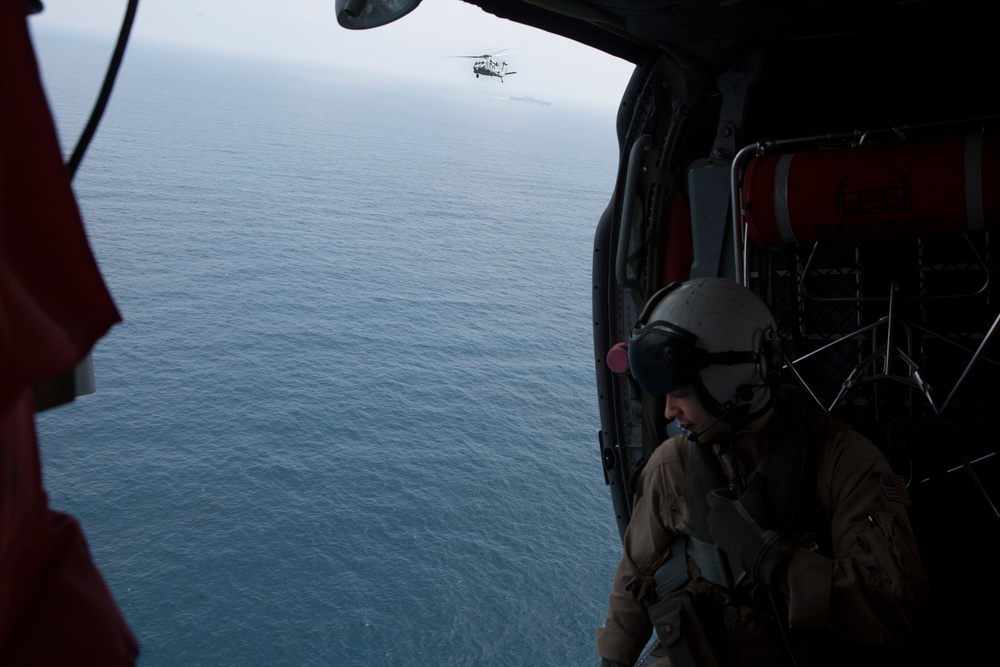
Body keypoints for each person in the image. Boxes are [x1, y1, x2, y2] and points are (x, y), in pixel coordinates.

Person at [596, 277, 928, 667]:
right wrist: (614, 660)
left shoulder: (844, 462)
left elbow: (894, 609)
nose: (669, 412)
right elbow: (635, 576)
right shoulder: (673, 466)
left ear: (728, 382)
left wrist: (772, 561)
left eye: (680, 394)